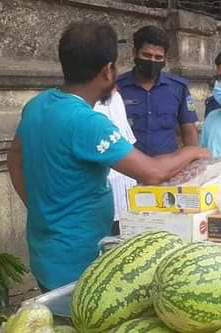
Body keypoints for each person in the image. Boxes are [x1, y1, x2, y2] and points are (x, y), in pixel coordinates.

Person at [7, 22, 209, 291]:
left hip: (45, 251)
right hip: (78, 262)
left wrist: (38, 208)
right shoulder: (88, 123)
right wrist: (193, 151)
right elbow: (152, 171)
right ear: (107, 71)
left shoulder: (37, 105)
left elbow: (14, 159)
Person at [117, 25, 198, 157]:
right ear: (134, 53)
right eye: (147, 55)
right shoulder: (116, 88)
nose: (152, 61)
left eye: (158, 57)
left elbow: (189, 131)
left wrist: (193, 161)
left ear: (165, 59)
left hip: (169, 170)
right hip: (129, 171)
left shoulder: (178, 88)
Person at [94, 89, 137, 235]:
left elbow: (128, 142)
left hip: (126, 202)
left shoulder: (116, 98)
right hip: (101, 206)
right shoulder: (84, 112)